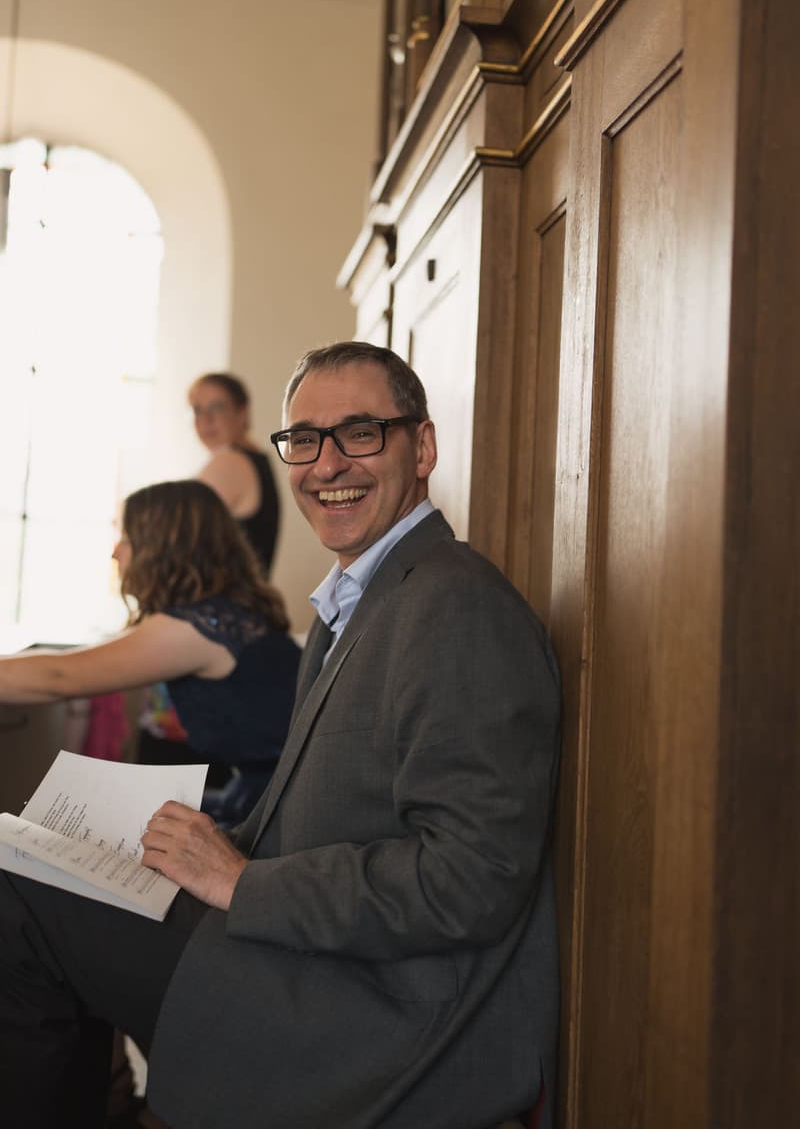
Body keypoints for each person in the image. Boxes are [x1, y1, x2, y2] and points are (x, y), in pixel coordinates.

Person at [0, 343, 561, 1129]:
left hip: (369, 1013)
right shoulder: (366, 598)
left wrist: (239, 880)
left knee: (13, 898)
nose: (327, 464)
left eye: (360, 432)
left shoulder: (456, 605)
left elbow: (472, 880)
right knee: (33, 861)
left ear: (423, 447)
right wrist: (192, 849)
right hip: (305, 948)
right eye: (304, 439)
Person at [0, 479, 300, 826]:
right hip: (259, 790)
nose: (115, 552)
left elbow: (60, 675)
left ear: (160, 548)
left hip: (279, 805)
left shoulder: (197, 627)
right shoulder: (230, 613)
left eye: (126, 539)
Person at [189, 371, 280, 575]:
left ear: (242, 413)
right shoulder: (254, 459)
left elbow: (179, 540)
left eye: (217, 407)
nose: (206, 419)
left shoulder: (230, 462)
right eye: (197, 410)